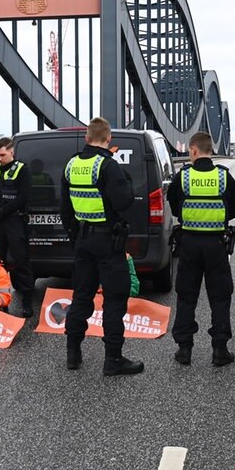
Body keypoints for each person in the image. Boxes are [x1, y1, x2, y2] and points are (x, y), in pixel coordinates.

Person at [60, 117, 142, 375]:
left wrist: (76, 235)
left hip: (82, 240)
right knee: (115, 299)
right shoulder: (108, 166)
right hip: (108, 241)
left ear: (86, 138)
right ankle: (113, 360)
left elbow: (64, 207)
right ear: (109, 140)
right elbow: (124, 202)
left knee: (81, 296)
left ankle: (73, 354)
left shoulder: (71, 165)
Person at [168, 131, 235, 367]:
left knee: (186, 296)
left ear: (193, 150)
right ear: (210, 150)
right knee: (220, 297)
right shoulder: (223, 177)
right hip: (216, 244)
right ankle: (220, 350)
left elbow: (174, 206)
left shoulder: (184, 176)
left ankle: (184, 350)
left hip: (189, 243)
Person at [0, 136, 36, 317]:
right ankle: (0, 300)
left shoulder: (22, 170)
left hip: (14, 221)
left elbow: (24, 196)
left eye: (2, 155)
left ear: (12, 152)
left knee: (21, 261)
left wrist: (3, 211)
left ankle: (27, 302)